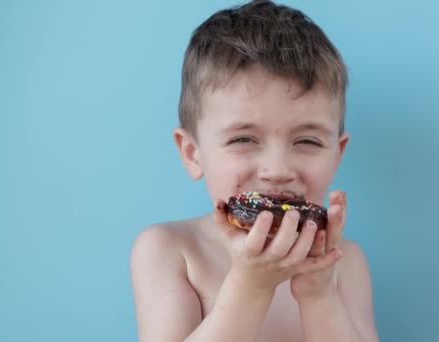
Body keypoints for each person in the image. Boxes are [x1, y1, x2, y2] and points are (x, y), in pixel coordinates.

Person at [130, 1, 379, 341]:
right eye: (243, 138)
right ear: (192, 153)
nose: (277, 170)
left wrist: (319, 295)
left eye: (306, 141)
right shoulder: (170, 250)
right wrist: (250, 285)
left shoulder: (344, 262)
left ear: (337, 154)